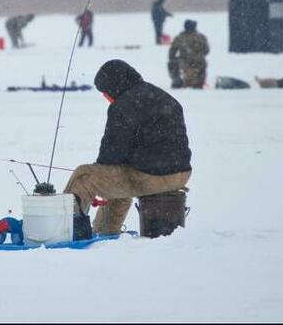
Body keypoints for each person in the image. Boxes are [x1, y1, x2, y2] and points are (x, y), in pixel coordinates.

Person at [63, 59, 192, 239]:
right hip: (181, 173)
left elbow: (111, 154)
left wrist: (97, 173)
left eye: (105, 93)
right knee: (118, 177)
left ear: (114, 86)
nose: (107, 98)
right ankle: (104, 231)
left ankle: (64, 229)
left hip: (152, 178)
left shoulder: (124, 105)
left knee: (84, 175)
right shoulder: (160, 95)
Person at [168, 19, 209, 89]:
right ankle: (199, 81)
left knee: (172, 63)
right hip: (199, 62)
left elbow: (172, 51)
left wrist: (174, 59)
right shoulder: (201, 37)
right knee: (202, 66)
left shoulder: (180, 37)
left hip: (184, 61)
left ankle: (177, 80)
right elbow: (206, 50)